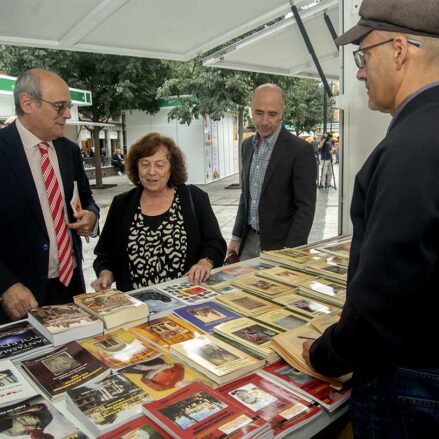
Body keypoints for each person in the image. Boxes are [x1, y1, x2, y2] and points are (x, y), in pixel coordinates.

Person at [302, 0, 439, 436]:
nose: (359, 71)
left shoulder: (411, 148)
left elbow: (383, 299)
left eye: (364, 55)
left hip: (409, 379)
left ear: (399, 49)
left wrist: (324, 354)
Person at [0, 69, 99, 324]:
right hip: (19, 296)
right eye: (60, 106)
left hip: (70, 286)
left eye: (68, 106)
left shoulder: (69, 151)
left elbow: (87, 198)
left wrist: (91, 217)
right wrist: (5, 285)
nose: (67, 113)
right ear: (27, 103)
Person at [92, 132, 226, 291]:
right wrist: (105, 273)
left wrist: (205, 262)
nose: (152, 171)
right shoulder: (121, 204)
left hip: (185, 301)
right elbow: (105, 254)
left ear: (172, 168)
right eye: (145, 164)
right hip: (136, 306)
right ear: (137, 167)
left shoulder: (195, 198)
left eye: (160, 164)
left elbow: (215, 242)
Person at [227, 84, 316, 261]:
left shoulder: (300, 151)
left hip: (281, 247)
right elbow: (246, 197)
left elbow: (305, 208)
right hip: (248, 241)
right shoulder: (247, 146)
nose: (265, 121)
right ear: (251, 110)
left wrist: (291, 253)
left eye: (272, 114)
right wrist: (236, 237)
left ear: (282, 112)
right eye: (259, 113)